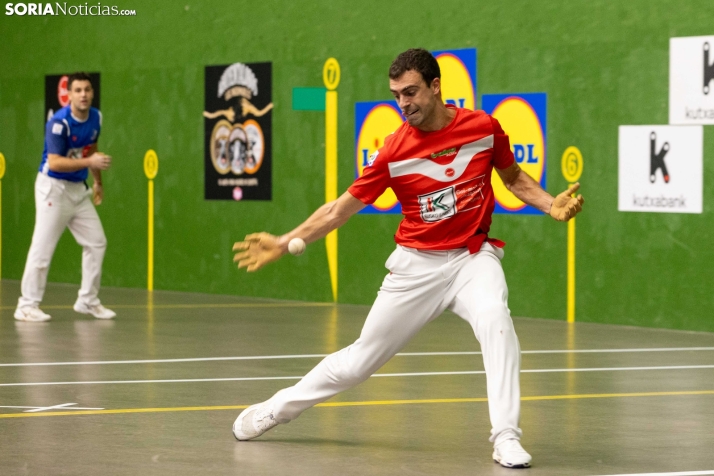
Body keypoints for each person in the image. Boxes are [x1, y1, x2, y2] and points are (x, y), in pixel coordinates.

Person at [230, 49, 584, 469]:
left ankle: (506, 436)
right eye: (397, 95)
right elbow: (338, 210)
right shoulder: (394, 152)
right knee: (359, 363)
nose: (404, 103)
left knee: (496, 320)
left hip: (472, 258)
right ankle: (279, 407)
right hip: (416, 267)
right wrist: (285, 240)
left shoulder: (483, 129)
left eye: (412, 92)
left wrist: (549, 205)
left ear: (436, 86)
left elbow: (512, 177)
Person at [14, 72, 116, 322]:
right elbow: (55, 162)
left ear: (92, 93)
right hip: (53, 188)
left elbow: (91, 148)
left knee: (96, 242)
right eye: (78, 90)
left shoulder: (96, 117)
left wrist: (98, 182)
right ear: (68, 95)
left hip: (78, 190)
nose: (84, 95)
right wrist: (90, 161)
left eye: (87, 90)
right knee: (43, 247)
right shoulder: (59, 123)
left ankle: (87, 300)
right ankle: (26, 305)